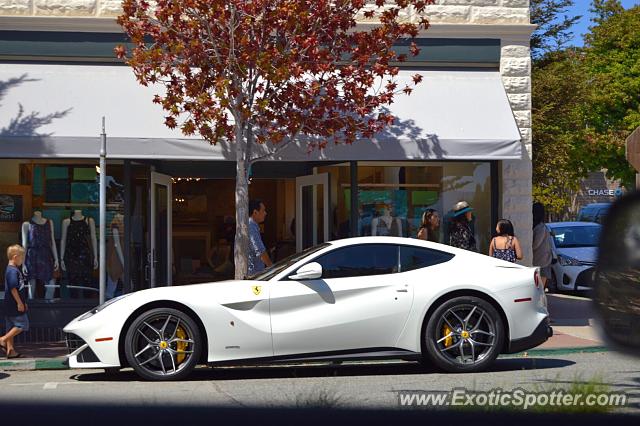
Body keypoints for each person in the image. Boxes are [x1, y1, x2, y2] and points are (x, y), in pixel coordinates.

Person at [0, 244, 29, 359]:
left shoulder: (12, 270)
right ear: (15, 257)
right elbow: (13, 288)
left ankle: (10, 351)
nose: (22, 260)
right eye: (22, 258)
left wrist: (23, 301)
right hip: (14, 304)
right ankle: (3, 339)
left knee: (10, 327)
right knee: (23, 324)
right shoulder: (12, 271)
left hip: (10, 304)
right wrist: (19, 303)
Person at [247, 199, 272, 276]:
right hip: (254, 275)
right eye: (263, 210)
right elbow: (260, 251)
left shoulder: (253, 225)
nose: (265, 213)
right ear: (255, 212)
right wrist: (272, 268)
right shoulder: (251, 225)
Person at [532, 202, 554, 288]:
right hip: (543, 260)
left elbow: (536, 244)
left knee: (539, 288)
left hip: (541, 261)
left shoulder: (540, 227)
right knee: (539, 288)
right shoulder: (541, 226)